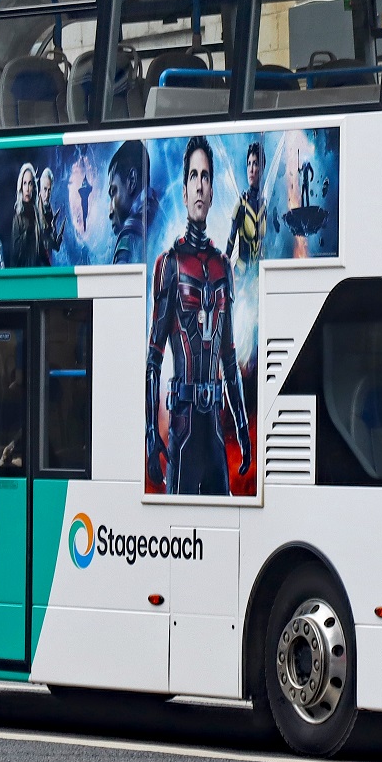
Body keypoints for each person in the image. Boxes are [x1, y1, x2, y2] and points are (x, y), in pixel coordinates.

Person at [146, 137, 253, 495]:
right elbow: (154, 359)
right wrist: (151, 432)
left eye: (206, 176)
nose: (200, 184)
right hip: (183, 428)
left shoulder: (224, 266)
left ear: (212, 188)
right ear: (184, 187)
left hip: (215, 431)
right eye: (193, 175)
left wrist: (240, 422)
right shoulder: (170, 265)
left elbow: (229, 355)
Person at [107, 140, 155, 265]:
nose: (110, 211)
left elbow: (120, 283)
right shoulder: (161, 214)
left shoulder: (129, 235)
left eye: (113, 192)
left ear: (132, 181)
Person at [225, 141, 265, 269]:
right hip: (241, 276)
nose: (251, 169)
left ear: (262, 168)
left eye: (255, 164)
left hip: (258, 277)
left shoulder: (264, 205)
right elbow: (230, 242)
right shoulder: (241, 204)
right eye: (249, 164)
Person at [7, 162, 39, 268]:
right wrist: (27, 232)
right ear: (21, 186)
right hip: (22, 272)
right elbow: (15, 252)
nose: (27, 189)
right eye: (24, 183)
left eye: (30, 183)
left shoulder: (37, 213)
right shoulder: (18, 215)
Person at [38, 165, 65, 262]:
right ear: (40, 189)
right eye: (45, 189)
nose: (47, 194)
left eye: (49, 190)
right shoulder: (34, 210)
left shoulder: (49, 210)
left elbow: (54, 245)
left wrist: (54, 229)